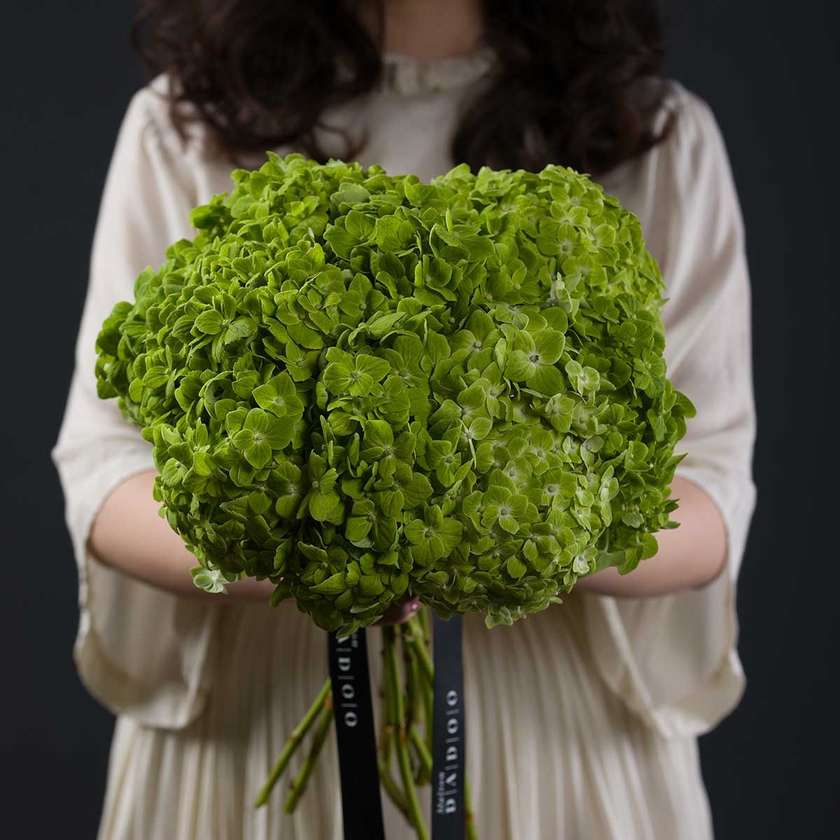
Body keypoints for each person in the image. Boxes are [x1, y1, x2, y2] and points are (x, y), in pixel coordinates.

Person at [50, 1, 756, 838]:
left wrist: (483, 539)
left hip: (552, 738)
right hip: (250, 716)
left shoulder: (658, 136)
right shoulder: (183, 125)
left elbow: (709, 493)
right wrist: (329, 561)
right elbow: (101, 465)